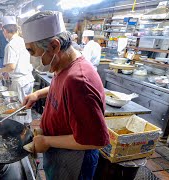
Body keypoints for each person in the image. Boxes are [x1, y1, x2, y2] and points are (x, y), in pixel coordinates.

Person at [21, 11, 109, 180]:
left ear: (54, 46)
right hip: (59, 150)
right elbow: (61, 87)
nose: (31, 57)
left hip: (75, 158)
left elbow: (96, 140)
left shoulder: (79, 81)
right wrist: (38, 94)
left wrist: (46, 142)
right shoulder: (63, 64)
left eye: (32, 51)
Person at [0, 16, 34, 125]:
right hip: (28, 79)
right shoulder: (22, 41)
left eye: (3, 31)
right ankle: (27, 125)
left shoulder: (10, 45)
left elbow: (11, 66)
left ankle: (19, 129)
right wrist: (7, 72)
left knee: (18, 108)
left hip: (19, 82)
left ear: (5, 30)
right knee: (27, 105)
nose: (4, 34)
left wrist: (0, 71)